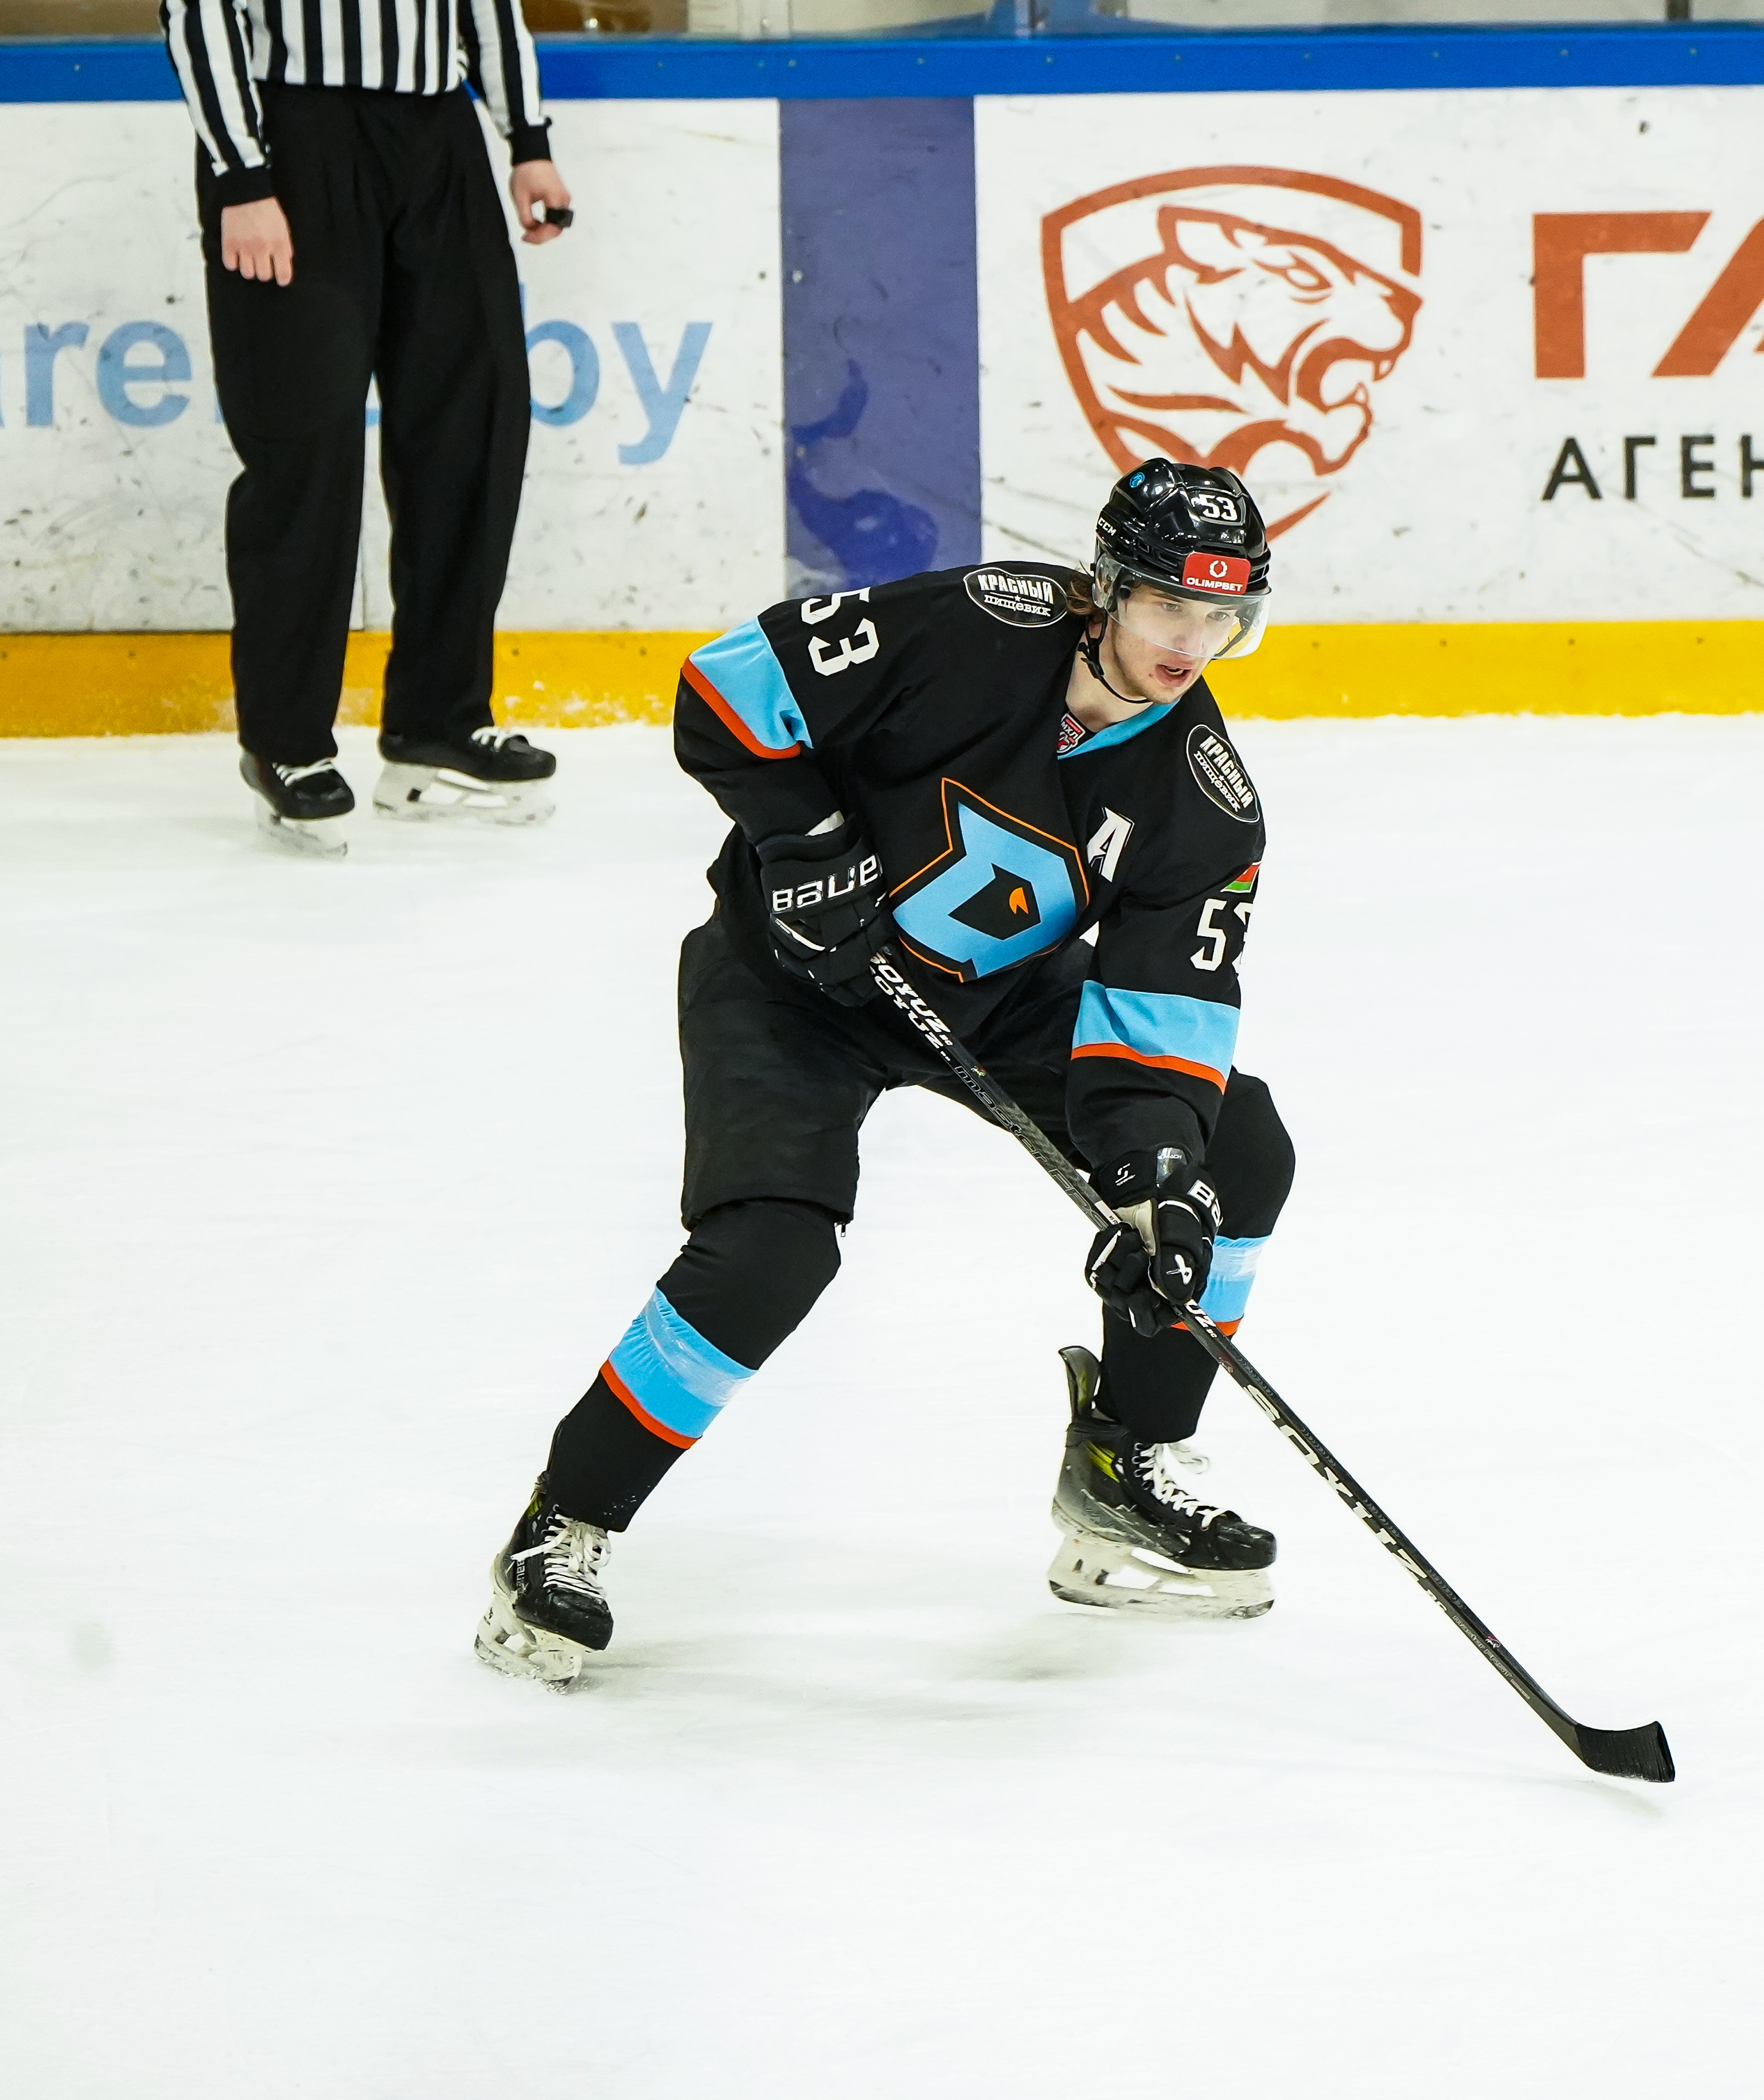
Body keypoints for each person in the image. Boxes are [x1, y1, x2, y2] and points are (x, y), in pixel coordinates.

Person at [474, 459, 1298, 1688]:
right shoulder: (974, 624)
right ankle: (567, 1518)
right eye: (1168, 605)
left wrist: (1153, 1184)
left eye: (1221, 617)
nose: (1191, 642)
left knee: (1231, 1154)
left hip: (990, 990)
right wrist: (800, 841)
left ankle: (1126, 1463)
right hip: (786, 981)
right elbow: (729, 684)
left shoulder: (1202, 802)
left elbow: (1159, 1022)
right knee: (770, 1252)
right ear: (1104, 588)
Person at [157, 0, 572, 855]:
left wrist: (526, 139)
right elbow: (198, 11)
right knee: (303, 443)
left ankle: (439, 722)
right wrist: (241, 174)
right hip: (293, 140)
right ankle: (286, 742)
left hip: (439, 137)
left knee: (472, 425)